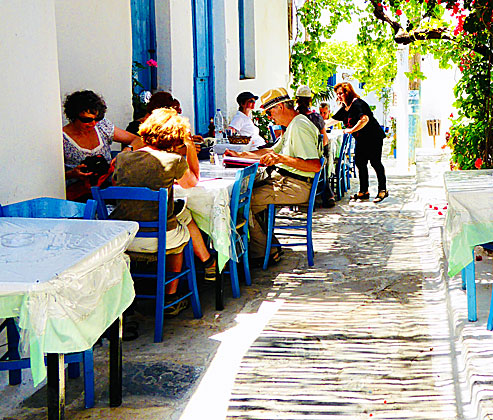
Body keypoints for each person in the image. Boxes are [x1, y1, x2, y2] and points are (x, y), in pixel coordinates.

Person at [108, 108, 216, 315]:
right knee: (181, 225)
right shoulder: (174, 161)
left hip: (124, 236)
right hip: (158, 238)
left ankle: (128, 300)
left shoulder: (123, 159)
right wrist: (190, 148)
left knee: (178, 216)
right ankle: (171, 295)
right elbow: (192, 182)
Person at [233, 88, 322, 261]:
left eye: (270, 111)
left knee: (242, 203)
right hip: (285, 181)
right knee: (247, 197)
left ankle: (263, 252)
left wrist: (281, 158)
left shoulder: (300, 126)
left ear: (280, 107)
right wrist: (242, 155)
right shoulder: (293, 125)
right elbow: (271, 151)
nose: (269, 116)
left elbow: (315, 165)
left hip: (296, 186)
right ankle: (268, 247)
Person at [63, 90, 143, 201]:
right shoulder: (62, 138)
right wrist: (73, 174)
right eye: (86, 120)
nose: (93, 123)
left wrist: (126, 151)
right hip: (80, 194)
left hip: (109, 187)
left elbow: (138, 140)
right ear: (74, 116)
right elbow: (53, 176)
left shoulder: (102, 126)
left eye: (97, 119)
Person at [332, 82, 388, 203]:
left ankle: (383, 190)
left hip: (373, 137)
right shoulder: (345, 108)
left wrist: (351, 130)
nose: (339, 96)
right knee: (360, 163)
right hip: (361, 139)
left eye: (341, 93)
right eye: (337, 94)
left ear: (348, 93)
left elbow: (365, 119)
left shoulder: (357, 104)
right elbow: (331, 121)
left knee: (375, 163)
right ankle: (364, 191)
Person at [295, 85, 335, 208]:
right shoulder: (316, 117)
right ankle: (327, 194)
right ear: (310, 100)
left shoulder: (293, 117)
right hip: (312, 159)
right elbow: (324, 140)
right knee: (325, 155)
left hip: (295, 155)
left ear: (296, 99)